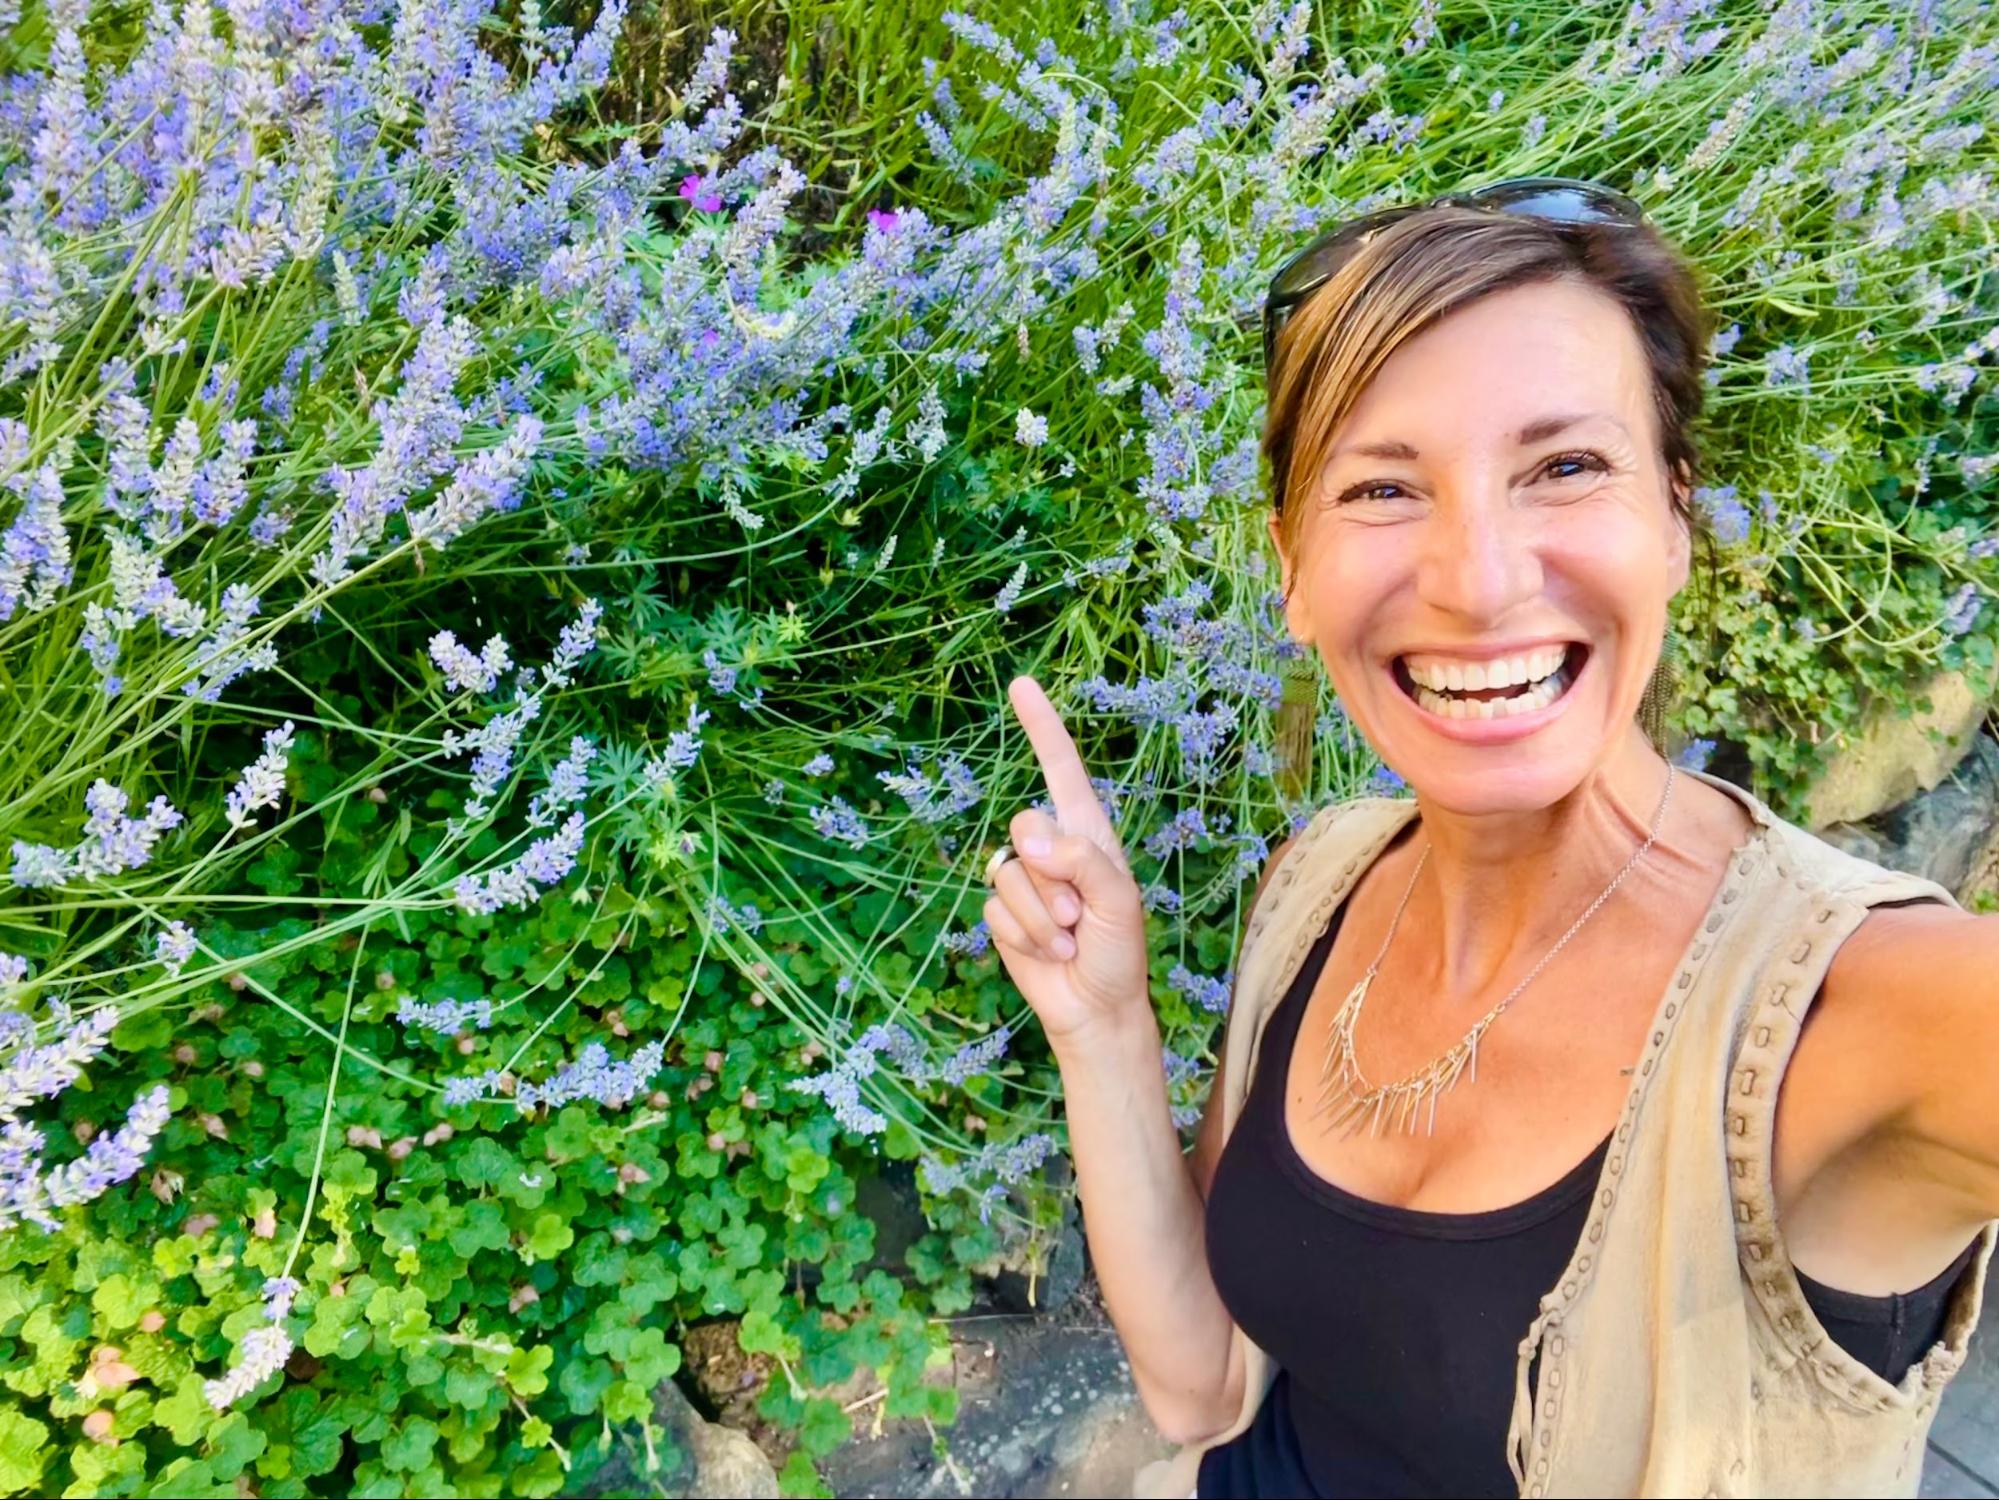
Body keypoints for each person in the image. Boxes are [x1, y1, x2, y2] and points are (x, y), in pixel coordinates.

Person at [980, 179, 1998, 1499]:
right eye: (1387, 487)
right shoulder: (1320, 881)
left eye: (1566, 467)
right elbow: (1203, 1386)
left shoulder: (1853, 1014)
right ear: (1291, 567)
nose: (1478, 578)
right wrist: (1104, 1024)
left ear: (1677, 515)